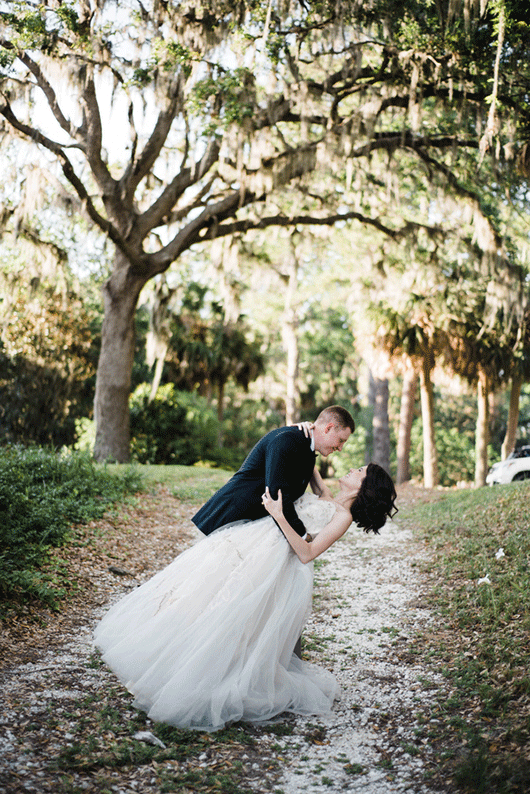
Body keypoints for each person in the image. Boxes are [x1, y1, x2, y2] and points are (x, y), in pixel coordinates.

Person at [93, 461, 397, 732]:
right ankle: (168, 666)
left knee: (229, 614)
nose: (353, 470)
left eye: (360, 472)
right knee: (204, 596)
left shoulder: (342, 517)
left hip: (276, 561)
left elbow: (307, 552)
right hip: (255, 543)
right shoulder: (329, 499)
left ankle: (200, 681)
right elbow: (312, 469)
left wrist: (280, 515)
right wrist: (308, 443)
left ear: (365, 486)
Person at [192, 405, 355, 539]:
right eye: (341, 440)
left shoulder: (307, 448)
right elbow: (277, 494)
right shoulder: (288, 440)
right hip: (228, 518)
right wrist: (302, 535)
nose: (340, 448)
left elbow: (319, 491)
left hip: (250, 524)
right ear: (328, 428)